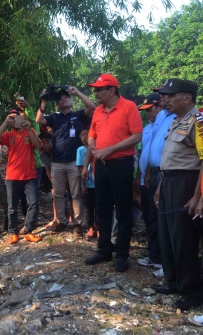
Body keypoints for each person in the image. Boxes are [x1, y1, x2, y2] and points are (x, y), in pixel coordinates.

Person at [150, 78, 203, 310]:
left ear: (187, 97)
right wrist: (162, 184)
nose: (166, 99)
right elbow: (170, 159)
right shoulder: (176, 121)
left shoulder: (198, 121)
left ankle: (191, 291)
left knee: (184, 239)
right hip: (170, 181)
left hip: (188, 183)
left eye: (171, 95)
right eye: (165, 95)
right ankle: (173, 282)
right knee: (168, 235)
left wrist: (199, 195)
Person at [82, 74, 143, 272]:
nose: (96, 93)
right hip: (101, 166)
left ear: (112, 90)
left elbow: (137, 135)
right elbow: (92, 136)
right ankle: (104, 250)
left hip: (121, 164)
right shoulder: (98, 111)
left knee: (123, 210)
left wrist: (111, 149)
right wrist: (95, 148)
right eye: (95, 90)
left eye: (100, 89)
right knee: (102, 208)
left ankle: (122, 255)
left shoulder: (129, 107)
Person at [36, 86, 95, 236]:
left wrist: (77, 92)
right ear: (57, 104)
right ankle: (62, 221)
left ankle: (77, 223)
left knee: (75, 194)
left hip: (74, 162)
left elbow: (91, 107)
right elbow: (39, 120)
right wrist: (43, 101)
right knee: (58, 194)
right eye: (60, 98)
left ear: (71, 101)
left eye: (66, 97)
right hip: (56, 162)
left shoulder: (78, 115)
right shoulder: (54, 117)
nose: (63, 99)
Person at [0, 111, 42, 244]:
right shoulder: (8, 135)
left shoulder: (30, 131)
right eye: (12, 118)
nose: (14, 120)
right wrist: (5, 122)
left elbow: (38, 146)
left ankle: (28, 231)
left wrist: (29, 128)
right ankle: (13, 232)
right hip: (12, 176)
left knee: (33, 203)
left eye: (16, 117)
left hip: (30, 175)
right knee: (12, 206)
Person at [134, 94, 163, 270]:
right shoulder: (146, 128)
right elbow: (143, 153)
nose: (147, 114)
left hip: (158, 177)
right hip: (145, 178)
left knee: (156, 218)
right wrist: (138, 177)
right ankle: (153, 253)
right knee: (148, 217)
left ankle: (159, 257)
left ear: (159, 106)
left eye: (149, 110)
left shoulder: (164, 126)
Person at [76, 129, 97, 238]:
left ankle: (99, 228)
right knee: (89, 206)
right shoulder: (80, 150)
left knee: (99, 206)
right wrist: (83, 185)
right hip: (88, 183)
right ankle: (90, 228)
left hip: (98, 182)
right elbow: (80, 167)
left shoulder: (97, 147)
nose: (84, 137)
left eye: (86, 134)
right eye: (82, 135)